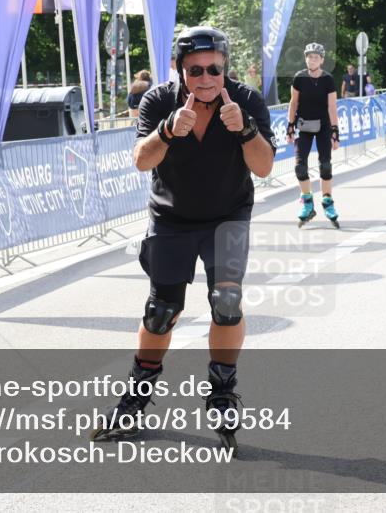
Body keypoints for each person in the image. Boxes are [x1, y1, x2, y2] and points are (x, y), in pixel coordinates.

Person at [91, 26, 276, 450]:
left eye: (215, 69)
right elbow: (141, 161)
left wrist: (245, 130)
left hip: (228, 217)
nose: (206, 78)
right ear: (181, 70)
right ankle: (135, 399)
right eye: (196, 70)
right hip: (171, 218)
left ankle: (222, 392)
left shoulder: (244, 100)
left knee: (227, 304)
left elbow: (264, 168)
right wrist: (169, 131)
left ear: (224, 68)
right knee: (160, 311)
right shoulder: (160, 100)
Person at [287, 42, 340, 227]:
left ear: (322, 60)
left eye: (316, 57)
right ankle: (308, 203)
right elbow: (293, 103)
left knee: (325, 166)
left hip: (324, 127)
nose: (312, 60)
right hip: (304, 126)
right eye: (309, 57)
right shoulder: (299, 78)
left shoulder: (328, 79)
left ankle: (327, 202)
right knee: (300, 167)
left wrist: (335, 131)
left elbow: (332, 107)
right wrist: (290, 125)